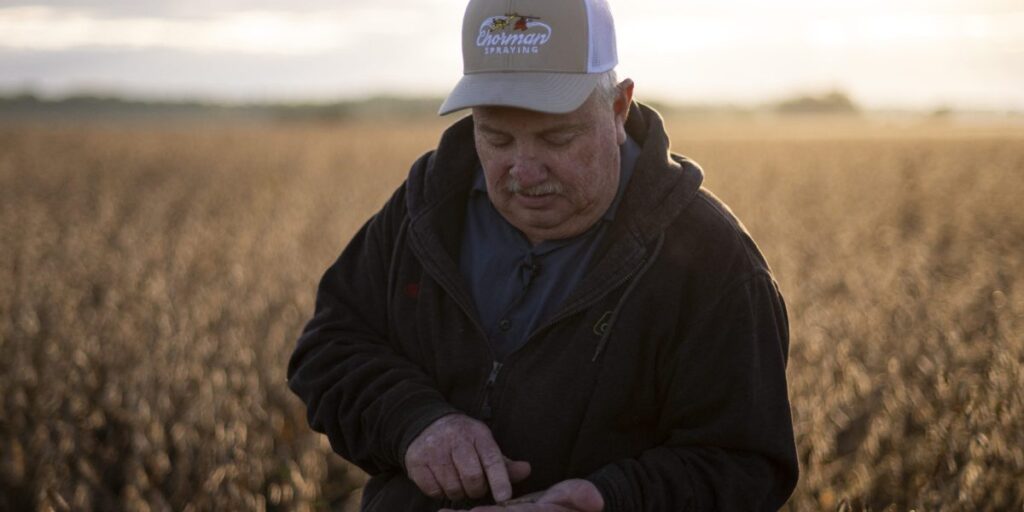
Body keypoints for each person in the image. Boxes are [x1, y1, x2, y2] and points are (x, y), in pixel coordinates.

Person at [286, 0, 798, 510]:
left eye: (556, 137)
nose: (524, 172)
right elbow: (330, 346)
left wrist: (611, 498)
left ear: (618, 109)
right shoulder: (426, 209)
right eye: (497, 137)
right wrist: (417, 422)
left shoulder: (714, 261)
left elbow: (748, 464)